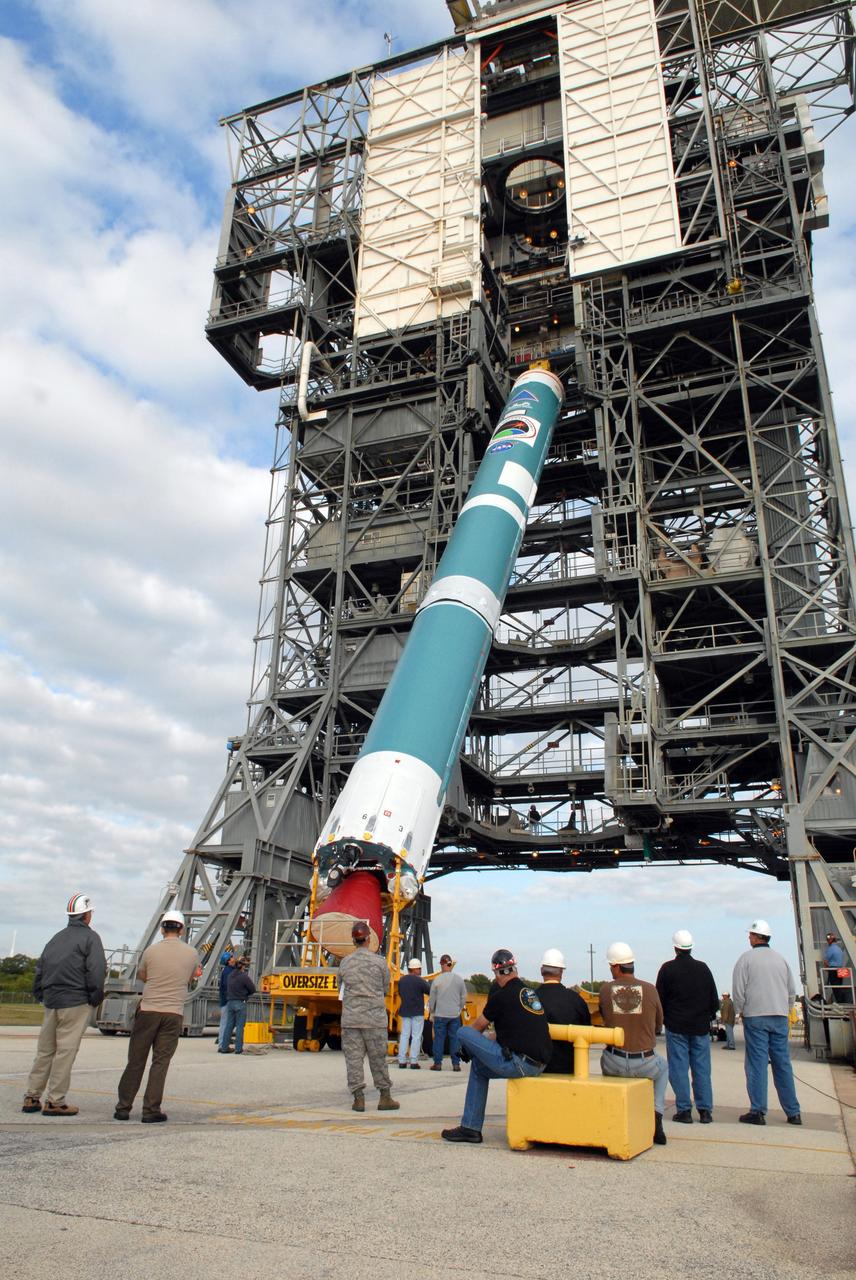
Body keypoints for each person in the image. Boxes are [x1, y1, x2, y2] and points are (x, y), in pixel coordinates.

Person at [441, 948, 552, 1144]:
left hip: (520, 1063)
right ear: (514, 969)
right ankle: (470, 1129)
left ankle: (471, 1127)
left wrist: (466, 1048)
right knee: (478, 1068)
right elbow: (501, 1034)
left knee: (462, 1032)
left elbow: (477, 1027)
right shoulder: (528, 992)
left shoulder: (502, 996)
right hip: (539, 1063)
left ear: (498, 972)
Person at [22, 893, 107, 1117]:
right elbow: (97, 970)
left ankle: (32, 1096)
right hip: (76, 1001)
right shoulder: (91, 938)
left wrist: (40, 993)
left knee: (45, 1051)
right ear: (86, 915)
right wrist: (96, 996)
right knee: (65, 1052)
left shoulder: (56, 938)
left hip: (52, 1001)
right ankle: (55, 1101)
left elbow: (41, 967)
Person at [114, 910, 201, 1123]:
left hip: (148, 1010)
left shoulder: (150, 951)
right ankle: (151, 1110)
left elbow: (143, 975)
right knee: (160, 1062)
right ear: (181, 929)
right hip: (173, 1014)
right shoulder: (191, 954)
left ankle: (123, 1108)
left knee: (136, 1060)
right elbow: (191, 977)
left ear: (162, 929)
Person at [732, 919, 801, 1126]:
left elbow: (738, 990)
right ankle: (793, 1112)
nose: (749, 937)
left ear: (755, 937)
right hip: (779, 1017)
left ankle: (758, 1111)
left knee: (757, 1064)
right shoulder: (781, 960)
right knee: (782, 1064)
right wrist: (785, 1009)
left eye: (750, 934)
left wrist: (739, 1011)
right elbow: (791, 991)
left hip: (756, 1016)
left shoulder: (746, 959)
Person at [599, 941, 668, 1146]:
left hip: (614, 1061)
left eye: (611, 966)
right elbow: (658, 1024)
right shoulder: (650, 989)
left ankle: (611, 1115)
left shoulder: (605, 989)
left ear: (617, 967)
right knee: (663, 1068)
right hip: (644, 1062)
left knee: (604, 1060)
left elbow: (604, 1018)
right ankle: (656, 1115)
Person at [656, 930, 719, 1124]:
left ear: (675, 947)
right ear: (691, 947)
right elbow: (714, 1001)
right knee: (701, 1069)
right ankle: (705, 1111)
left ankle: (684, 1110)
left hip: (676, 1027)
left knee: (679, 1068)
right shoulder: (703, 968)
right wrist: (706, 1016)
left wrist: (665, 1019)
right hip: (700, 1027)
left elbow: (660, 1000)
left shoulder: (667, 969)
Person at [338, 920, 399, 1112]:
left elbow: (340, 985)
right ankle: (385, 1097)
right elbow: (384, 987)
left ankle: (358, 1099)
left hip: (351, 1019)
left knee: (353, 1060)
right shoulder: (380, 963)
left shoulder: (345, 962)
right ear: (368, 938)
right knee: (378, 1058)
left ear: (353, 940)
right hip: (374, 1019)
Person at [536, 947, 591, 1073]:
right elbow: (587, 1031)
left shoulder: (530, 999)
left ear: (541, 971)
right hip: (570, 1069)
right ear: (561, 972)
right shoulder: (576, 1000)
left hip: (538, 1070)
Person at [429, 953, 467, 1072]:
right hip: (454, 1015)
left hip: (440, 1014)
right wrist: (458, 1008)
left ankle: (437, 1064)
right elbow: (464, 997)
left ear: (441, 964)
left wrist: (432, 1012)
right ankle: (456, 1064)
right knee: (454, 1039)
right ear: (450, 965)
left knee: (439, 1039)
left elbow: (432, 999)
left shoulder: (437, 980)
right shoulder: (459, 980)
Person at [397, 958, 430, 1069]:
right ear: (414, 969)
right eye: (419, 968)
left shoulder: (402, 980)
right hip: (417, 1013)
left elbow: (400, 993)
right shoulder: (420, 981)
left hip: (405, 1011)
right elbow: (429, 991)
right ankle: (413, 1062)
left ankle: (402, 1061)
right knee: (416, 1036)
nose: (420, 970)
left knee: (404, 1036)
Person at [221, 955, 256, 1054]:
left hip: (230, 1002)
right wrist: (246, 994)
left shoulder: (230, 976)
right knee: (240, 1026)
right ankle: (238, 1048)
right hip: (240, 1002)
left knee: (229, 1025)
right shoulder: (244, 976)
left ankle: (224, 1047)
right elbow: (253, 989)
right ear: (242, 966)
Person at [217, 952, 237, 1052]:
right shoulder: (228, 972)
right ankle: (222, 1045)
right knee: (225, 1023)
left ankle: (224, 1043)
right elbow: (227, 986)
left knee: (228, 1022)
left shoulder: (229, 970)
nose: (234, 957)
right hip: (227, 1001)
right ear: (229, 961)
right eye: (232, 957)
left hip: (227, 1000)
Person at [824, 933, 849, 1004]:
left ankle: (841, 1003)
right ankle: (844, 1001)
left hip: (833, 970)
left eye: (828, 940)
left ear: (830, 940)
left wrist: (827, 969)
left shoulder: (830, 949)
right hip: (841, 970)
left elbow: (826, 961)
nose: (827, 941)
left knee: (836, 989)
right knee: (839, 987)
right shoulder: (839, 949)